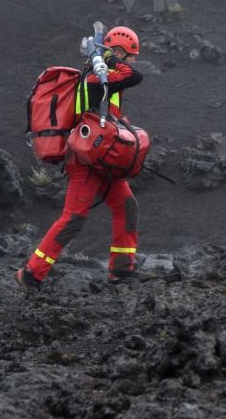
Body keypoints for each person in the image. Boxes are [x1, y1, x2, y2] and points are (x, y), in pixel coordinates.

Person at [15, 26, 144, 291]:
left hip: (103, 159)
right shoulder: (97, 79)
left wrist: (107, 59)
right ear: (118, 51)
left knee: (126, 205)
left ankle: (121, 270)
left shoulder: (106, 77)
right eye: (130, 55)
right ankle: (30, 274)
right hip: (84, 161)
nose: (132, 61)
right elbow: (134, 75)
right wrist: (108, 57)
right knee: (73, 217)